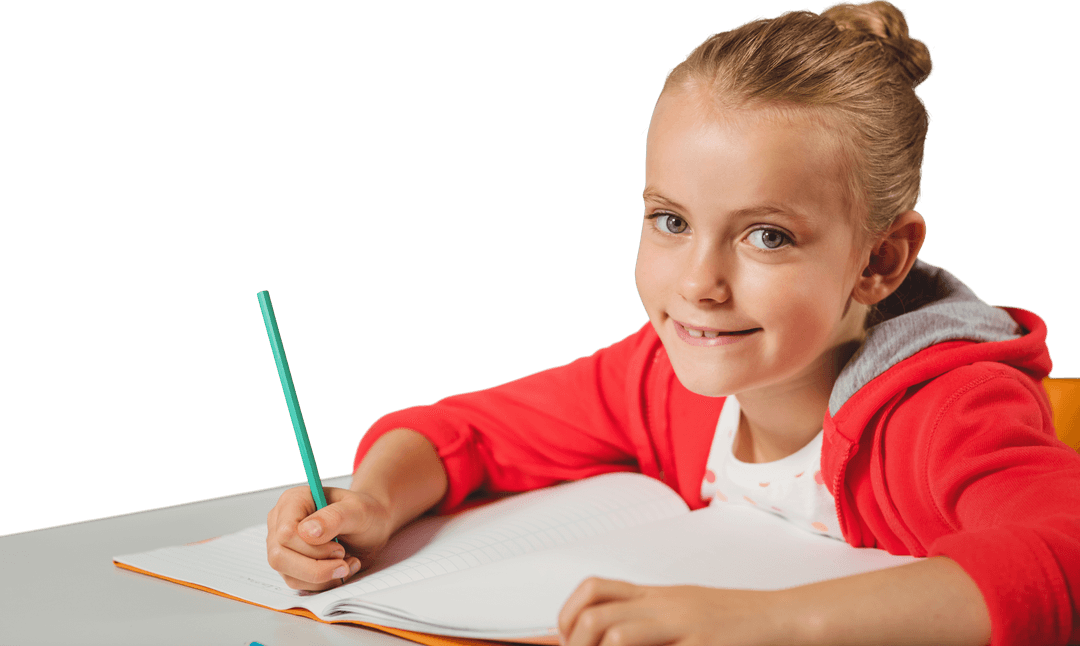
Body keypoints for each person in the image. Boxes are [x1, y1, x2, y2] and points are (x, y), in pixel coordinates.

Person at [265, 2, 1080, 644]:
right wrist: (371, 500)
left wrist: (769, 622)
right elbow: (470, 432)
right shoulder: (663, 376)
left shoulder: (944, 414)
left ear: (880, 262)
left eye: (768, 236)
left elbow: (1065, 558)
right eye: (671, 221)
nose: (699, 284)